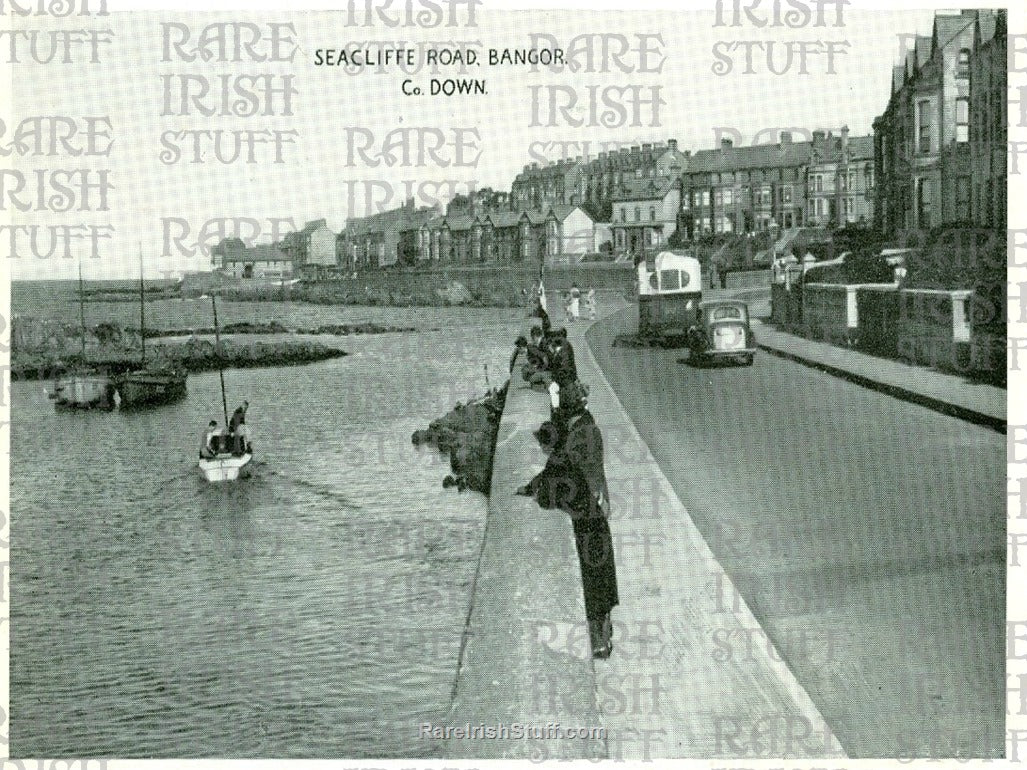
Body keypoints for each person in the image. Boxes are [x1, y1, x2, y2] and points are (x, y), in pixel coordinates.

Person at [517, 400, 617, 659]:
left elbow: (547, 496)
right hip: (597, 523)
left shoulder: (557, 462)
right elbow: (547, 477)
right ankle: (606, 636)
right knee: (602, 586)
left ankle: (599, 644)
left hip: (585, 529)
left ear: (547, 445)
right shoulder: (567, 456)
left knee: (592, 587)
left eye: (541, 445)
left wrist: (532, 492)